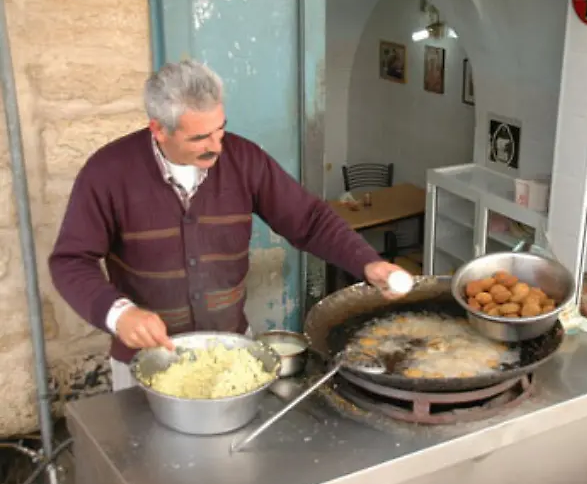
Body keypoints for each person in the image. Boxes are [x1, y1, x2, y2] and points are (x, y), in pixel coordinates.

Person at [48, 59, 411, 391]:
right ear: (158, 129)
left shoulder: (245, 160)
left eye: (220, 130)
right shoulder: (107, 173)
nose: (217, 146)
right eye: (199, 137)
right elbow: (70, 261)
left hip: (232, 353)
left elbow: (310, 220)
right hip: (146, 362)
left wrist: (367, 262)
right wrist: (118, 313)